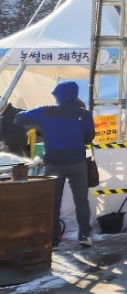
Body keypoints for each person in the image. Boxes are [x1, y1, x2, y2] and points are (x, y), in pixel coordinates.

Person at [14, 81, 95, 247]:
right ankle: (85, 235)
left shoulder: (45, 111)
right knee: (81, 200)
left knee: (53, 202)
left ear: (58, 95)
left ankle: (53, 240)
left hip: (54, 163)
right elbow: (89, 138)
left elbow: (19, 118)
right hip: (78, 162)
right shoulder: (84, 114)